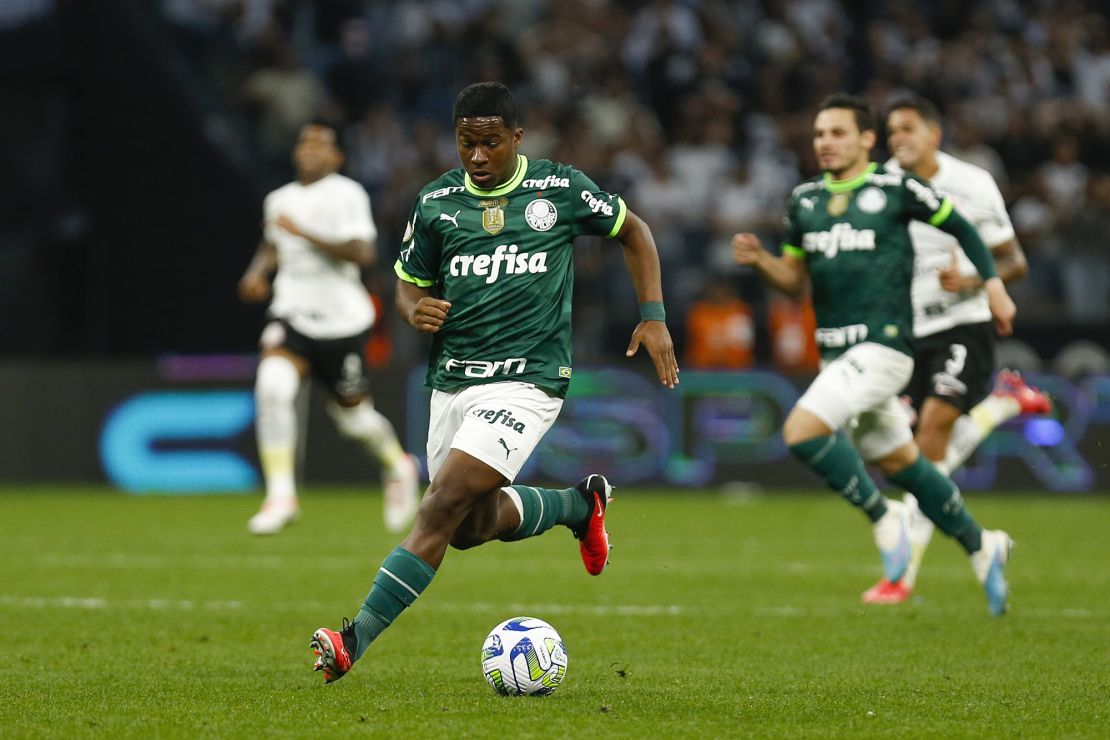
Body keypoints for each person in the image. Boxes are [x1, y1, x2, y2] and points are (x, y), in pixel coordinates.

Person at [310, 82, 680, 683]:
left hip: (528, 382)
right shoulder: (436, 203)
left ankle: (353, 638)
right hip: (453, 381)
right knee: (467, 529)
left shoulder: (558, 189)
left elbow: (634, 232)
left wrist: (655, 316)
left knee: (441, 506)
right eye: (466, 143)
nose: (478, 156)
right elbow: (408, 280)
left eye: (489, 144)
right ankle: (577, 505)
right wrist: (411, 308)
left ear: (516, 139)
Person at [732, 93, 1018, 616]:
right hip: (836, 354)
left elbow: (962, 227)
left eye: (838, 133)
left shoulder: (896, 188)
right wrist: (761, 262)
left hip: (885, 347)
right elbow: (794, 281)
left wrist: (993, 285)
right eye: (819, 134)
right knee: (904, 464)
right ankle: (983, 546)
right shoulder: (804, 201)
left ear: (867, 140)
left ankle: (885, 520)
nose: (826, 143)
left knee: (802, 430)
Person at [861, 94, 1052, 604]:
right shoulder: (879, 188)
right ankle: (1006, 402)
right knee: (907, 455)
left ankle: (901, 575)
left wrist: (970, 280)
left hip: (962, 327)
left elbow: (1014, 261)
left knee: (931, 433)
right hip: (904, 334)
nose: (897, 138)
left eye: (907, 128)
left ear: (933, 134)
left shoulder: (971, 183)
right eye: (891, 130)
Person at [238, 122, 420, 536]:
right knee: (272, 388)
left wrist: (305, 232)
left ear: (336, 157)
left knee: (354, 421)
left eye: (321, 144)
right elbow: (271, 245)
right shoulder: (278, 199)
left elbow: (363, 252)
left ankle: (398, 467)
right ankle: (281, 496)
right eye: (305, 141)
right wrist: (257, 273)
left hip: (341, 321)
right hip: (291, 314)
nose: (310, 149)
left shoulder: (347, 194)